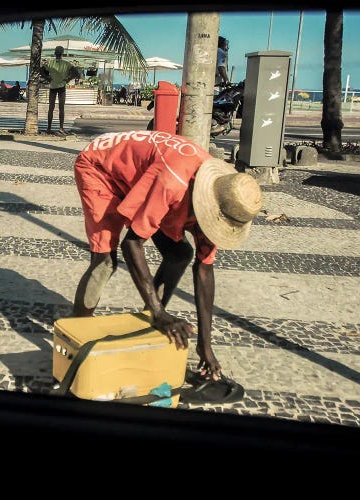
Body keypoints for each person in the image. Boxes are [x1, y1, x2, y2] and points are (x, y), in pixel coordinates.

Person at [72, 130, 262, 383]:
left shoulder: (225, 198)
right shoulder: (173, 183)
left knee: (180, 253)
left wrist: (205, 346)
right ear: (203, 206)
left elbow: (205, 271)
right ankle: (76, 338)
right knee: (105, 262)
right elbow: (132, 245)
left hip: (146, 174)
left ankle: (149, 321)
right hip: (100, 167)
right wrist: (160, 313)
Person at [42, 46, 79, 136]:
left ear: (55, 53)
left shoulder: (50, 63)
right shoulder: (66, 64)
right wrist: (68, 79)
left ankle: (49, 128)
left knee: (51, 108)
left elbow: (41, 71)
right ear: (62, 53)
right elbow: (76, 72)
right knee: (61, 108)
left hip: (53, 86)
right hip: (61, 86)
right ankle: (61, 128)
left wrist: (48, 78)